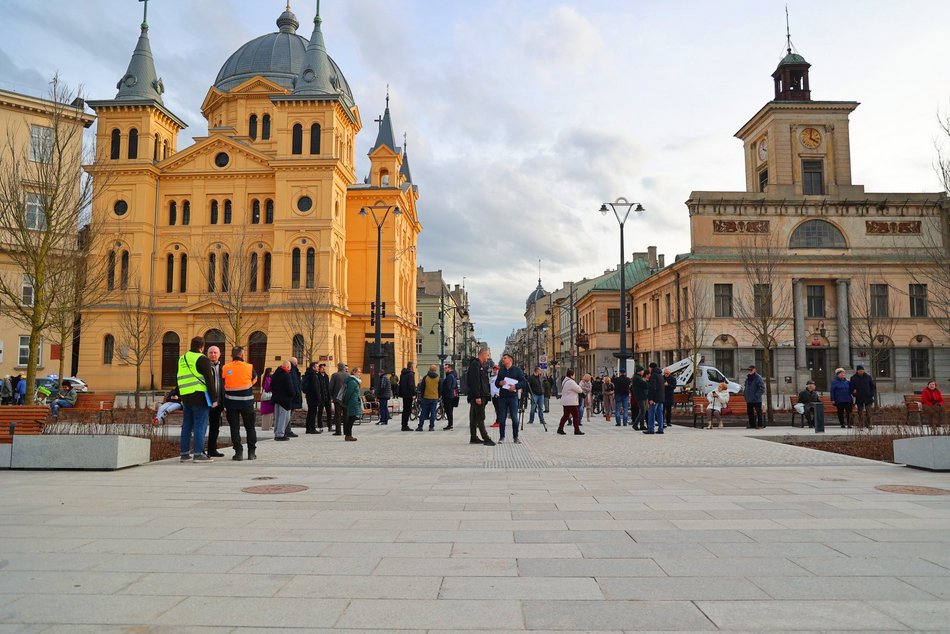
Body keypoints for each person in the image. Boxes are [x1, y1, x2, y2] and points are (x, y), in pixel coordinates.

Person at [177, 335, 218, 462]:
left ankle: (184, 454)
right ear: (202, 347)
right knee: (200, 425)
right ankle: (198, 454)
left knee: (187, 426)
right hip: (199, 396)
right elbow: (209, 380)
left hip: (186, 396)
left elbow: (178, 377)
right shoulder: (202, 359)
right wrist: (214, 399)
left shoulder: (182, 359)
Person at [222, 346, 258, 460]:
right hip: (247, 403)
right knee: (250, 428)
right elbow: (255, 378)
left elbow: (223, 381)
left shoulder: (225, 367)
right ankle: (251, 453)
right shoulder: (249, 367)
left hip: (231, 403)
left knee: (234, 428)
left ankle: (238, 453)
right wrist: (249, 385)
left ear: (232, 355)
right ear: (242, 355)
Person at [495, 354, 527, 443]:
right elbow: (497, 383)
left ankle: (515, 437)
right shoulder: (501, 370)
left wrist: (515, 386)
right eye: (503, 358)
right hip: (502, 397)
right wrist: (500, 383)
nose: (503, 359)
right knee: (501, 418)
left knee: (514, 418)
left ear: (510, 360)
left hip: (513, 397)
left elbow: (523, 382)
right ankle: (501, 437)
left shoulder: (517, 370)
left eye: (505, 358)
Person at [465, 348, 495, 446]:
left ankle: (473, 437)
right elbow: (475, 381)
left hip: (479, 395)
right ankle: (486, 438)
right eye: (487, 355)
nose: (488, 357)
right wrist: (477, 396)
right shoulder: (475, 364)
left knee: (473, 417)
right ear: (483, 354)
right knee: (480, 417)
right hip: (478, 395)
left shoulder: (479, 365)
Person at [204, 346, 226, 457]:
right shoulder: (204, 366)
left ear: (219, 354)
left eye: (215, 352)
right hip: (205, 401)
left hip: (218, 402)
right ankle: (200, 450)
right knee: (202, 426)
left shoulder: (223, 367)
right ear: (207, 354)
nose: (213, 354)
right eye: (211, 352)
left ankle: (212, 450)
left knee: (215, 427)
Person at [270, 361, 295, 440]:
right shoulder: (286, 375)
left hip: (276, 399)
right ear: (287, 367)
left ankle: (277, 432)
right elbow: (290, 388)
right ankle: (280, 434)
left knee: (277, 417)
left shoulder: (275, 375)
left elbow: (271, 386)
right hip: (285, 400)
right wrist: (293, 394)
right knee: (284, 418)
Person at [557, 369, 584, 435]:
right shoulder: (571, 382)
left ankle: (560, 428)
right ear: (571, 375)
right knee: (576, 415)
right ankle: (576, 430)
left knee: (565, 415)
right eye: (574, 375)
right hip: (571, 401)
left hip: (565, 401)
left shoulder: (565, 381)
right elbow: (579, 390)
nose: (575, 376)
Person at [850, 365, 876, 429]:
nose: (861, 371)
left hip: (868, 397)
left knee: (868, 412)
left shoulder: (868, 377)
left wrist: (871, 394)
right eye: (859, 370)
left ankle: (868, 424)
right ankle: (861, 425)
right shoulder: (853, 378)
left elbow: (873, 387)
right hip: (859, 398)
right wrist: (854, 393)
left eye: (862, 370)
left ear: (863, 370)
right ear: (857, 371)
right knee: (860, 412)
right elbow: (851, 388)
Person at [417, 364, 440, 432]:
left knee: (423, 412)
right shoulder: (438, 378)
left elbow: (422, 388)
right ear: (435, 370)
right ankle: (431, 427)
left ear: (429, 369)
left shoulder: (426, 377)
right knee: (433, 413)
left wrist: (422, 396)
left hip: (426, 397)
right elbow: (440, 388)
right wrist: (438, 395)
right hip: (434, 397)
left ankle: (420, 426)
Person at [341, 367, 363, 441]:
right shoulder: (352, 382)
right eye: (358, 372)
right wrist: (346, 402)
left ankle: (348, 435)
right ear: (354, 373)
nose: (360, 373)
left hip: (354, 402)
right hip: (352, 402)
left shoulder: (355, 381)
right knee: (351, 418)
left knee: (351, 418)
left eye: (360, 372)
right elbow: (348, 393)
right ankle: (348, 435)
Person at [329, 362, 349, 436]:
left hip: (337, 398)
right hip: (346, 398)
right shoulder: (348, 375)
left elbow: (330, 387)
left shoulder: (335, 375)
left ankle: (338, 431)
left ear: (338, 368)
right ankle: (346, 431)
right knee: (346, 415)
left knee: (338, 415)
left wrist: (331, 397)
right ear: (344, 368)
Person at [302, 361, 322, 434]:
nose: (318, 368)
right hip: (313, 397)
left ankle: (308, 428)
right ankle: (312, 428)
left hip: (309, 396)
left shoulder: (308, 374)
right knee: (313, 412)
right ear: (313, 367)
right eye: (317, 366)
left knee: (310, 412)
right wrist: (318, 397)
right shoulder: (313, 375)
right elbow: (315, 388)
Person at [645, 362, 665, 434]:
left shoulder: (653, 376)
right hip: (661, 398)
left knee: (651, 413)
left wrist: (650, 398)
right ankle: (661, 429)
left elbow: (652, 388)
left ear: (651, 368)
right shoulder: (661, 376)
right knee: (660, 414)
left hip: (655, 398)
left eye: (649, 368)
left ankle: (651, 429)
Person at [744, 365, 765, 429]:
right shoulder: (748, 378)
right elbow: (746, 386)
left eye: (751, 370)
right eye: (749, 370)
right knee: (750, 412)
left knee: (759, 412)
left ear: (754, 370)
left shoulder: (758, 378)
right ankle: (752, 424)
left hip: (756, 399)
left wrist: (756, 395)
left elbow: (762, 388)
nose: (750, 371)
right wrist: (745, 394)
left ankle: (760, 425)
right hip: (749, 398)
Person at [287, 357, 303, 437]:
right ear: (295, 363)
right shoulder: (293, 371)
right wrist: (296, 394)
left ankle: (287, 430)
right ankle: (287, 430)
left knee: (288, 414)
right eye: (296, 362)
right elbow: (295, 384)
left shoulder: (292, 371)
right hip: (292, 396)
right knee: (288, 414)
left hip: (292, 395)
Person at [399, 362, 416, 431]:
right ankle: (405, 426)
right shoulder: (410, 374)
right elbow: (411, 385)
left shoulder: (403, 374)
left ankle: (403, 425)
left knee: (405, 410)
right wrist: (413, 394)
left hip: (404, 394)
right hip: (408, 395)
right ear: (411, 367)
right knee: (407, 410)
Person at [441, 363, 459, 430]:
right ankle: (450, 424)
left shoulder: (449, 377)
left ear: (450, 368)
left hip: (448, 396)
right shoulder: (452, 376)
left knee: (449, 411)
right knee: (449, 411)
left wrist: (443, 393)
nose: (445, 369)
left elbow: (447, 387)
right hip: (450, 396)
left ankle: (450, 424)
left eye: (446, 368)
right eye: (444, 368)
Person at [315, 363, 333, 431]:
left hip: (327, 397)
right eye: (322, 368)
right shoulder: (317, 376)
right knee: (320, 413)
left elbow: (328, 387)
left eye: (324, 368)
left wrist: (330, 397)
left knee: (329, 413)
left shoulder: (326, 376)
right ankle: (320, 427)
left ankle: (330, 427)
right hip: (321, 398)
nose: (324, 369)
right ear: (319, 369)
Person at [631, 366, 649, 430]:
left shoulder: (637, 377)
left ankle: (642, 425)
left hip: (642, 396)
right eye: (642, 370)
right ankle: (635, 424)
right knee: (643, 411)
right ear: (639, 371)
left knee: (642, 411)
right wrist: (647, 382)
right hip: (640, 396)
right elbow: (645, 385)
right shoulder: (637, 378)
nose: (643, 372)